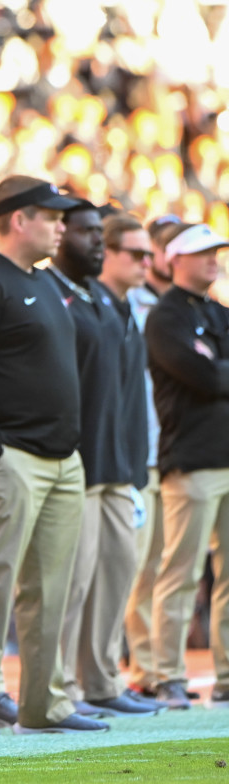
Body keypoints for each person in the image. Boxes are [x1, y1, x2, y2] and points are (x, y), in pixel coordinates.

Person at [0, 175, 106, 737]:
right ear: (18, 219)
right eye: (51, 216)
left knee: (50, 587)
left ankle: (45, 703)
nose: (61, 226)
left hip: (61, 459)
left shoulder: (43, 282)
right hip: (11, 456)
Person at [46, 202, 161, 718]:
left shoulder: (118, 307)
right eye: (135, 253)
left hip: (119, 466)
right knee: (74, 583)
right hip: (82, 463)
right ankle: (63, 686)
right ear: (109, 253)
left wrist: (135, 466)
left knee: (116, 576)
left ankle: (101, 679)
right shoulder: (70, 299)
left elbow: (130, 398)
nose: (145, 263)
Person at [144, 222, 229, 709]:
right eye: (202, 253)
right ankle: (168, 674)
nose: (213, 259)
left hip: (222, 455)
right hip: (192, 460)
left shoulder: (216, 311)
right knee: (181, 571)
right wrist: (215, 369)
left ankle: (225, 674)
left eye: (215, 251)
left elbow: (213, 372)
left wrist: (216, 369)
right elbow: (199, 375)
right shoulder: (165, 316)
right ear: (174, 259)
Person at [122, 215, 181, 697]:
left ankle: (164, 666)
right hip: (141, 447)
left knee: (169, 563)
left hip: (175, 446)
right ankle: (146, 669)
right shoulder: (130, 303)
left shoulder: (181, 307)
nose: (148, 261)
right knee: (140, 566)